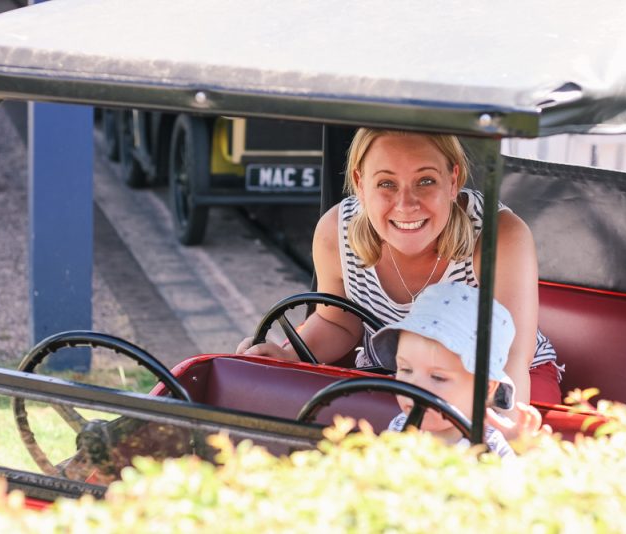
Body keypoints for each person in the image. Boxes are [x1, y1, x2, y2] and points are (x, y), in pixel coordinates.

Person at [237, 128, 562, 436]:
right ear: (359, 184)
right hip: (399, 378)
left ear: (454, 180)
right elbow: (337, 323)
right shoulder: (336, 232)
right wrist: (288, 355)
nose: (406, 205)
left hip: (494, 381)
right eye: (386, 184)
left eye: (425, 181)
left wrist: (501, 440)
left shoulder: (499, 236)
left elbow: (510, 359)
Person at [370, 282, 544, 456]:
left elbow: (513, 480)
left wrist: (520, 449)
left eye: (438, 377)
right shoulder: (401, 426)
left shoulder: (490, 444)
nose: (414, 387)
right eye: (406, 370)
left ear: (485, 388)